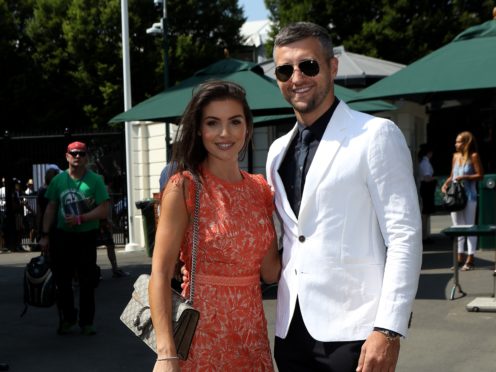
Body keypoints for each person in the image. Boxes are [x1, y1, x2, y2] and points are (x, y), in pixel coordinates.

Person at [266, 22, 422, 371]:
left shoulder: (375, 135)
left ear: (332, 67)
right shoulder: (276, 152)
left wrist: (389, 328)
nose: (297, 78)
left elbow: (404, 236)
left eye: (308, 65)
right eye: (284, 70)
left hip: (356, 331)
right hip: (291, 330)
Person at [149, 81, 281, 371]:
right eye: (213, 123)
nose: (225, 133)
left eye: (235, 122)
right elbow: (159, 272)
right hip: (201, 339)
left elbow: (270, 270)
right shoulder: (183, 187)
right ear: (199, 129)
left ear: (247, 127)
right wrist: (166, 352)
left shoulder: (260, 190)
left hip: (251, 338)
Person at [39, 141, 110, 336]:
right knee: (63, 281)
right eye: (74, 153)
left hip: (86, 236)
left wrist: (82, 218)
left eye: (82, 153)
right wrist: (45, 235)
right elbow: (51, 207)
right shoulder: (58, 180)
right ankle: (68, 318)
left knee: (88, 281)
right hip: (63, 236)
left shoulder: (95, 180)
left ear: (87, 157)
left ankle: (87, 322)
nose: (78, 156)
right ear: (67, 156)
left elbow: (104, 209)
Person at [441, 131, 483, 271]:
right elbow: (452, 175)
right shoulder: (455, 156)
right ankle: (460, 257)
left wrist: (465, 177)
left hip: (469, 195)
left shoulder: (473, 156)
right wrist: (446, 184)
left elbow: (480, 175)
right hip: (455, 196)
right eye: (456, 141)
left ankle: (470, 258)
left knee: (470, 227)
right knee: (457, 227)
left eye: (459, 141)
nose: (456, 144)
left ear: (466, 143)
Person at [418, 143, 437, 243]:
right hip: (426, 188)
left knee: (426, 213)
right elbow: (427, 178)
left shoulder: (423, 162)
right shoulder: (425, 163)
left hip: (425, 188)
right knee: (425, 213)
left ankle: (425, 235)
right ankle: (424, 236)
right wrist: (435, 178)